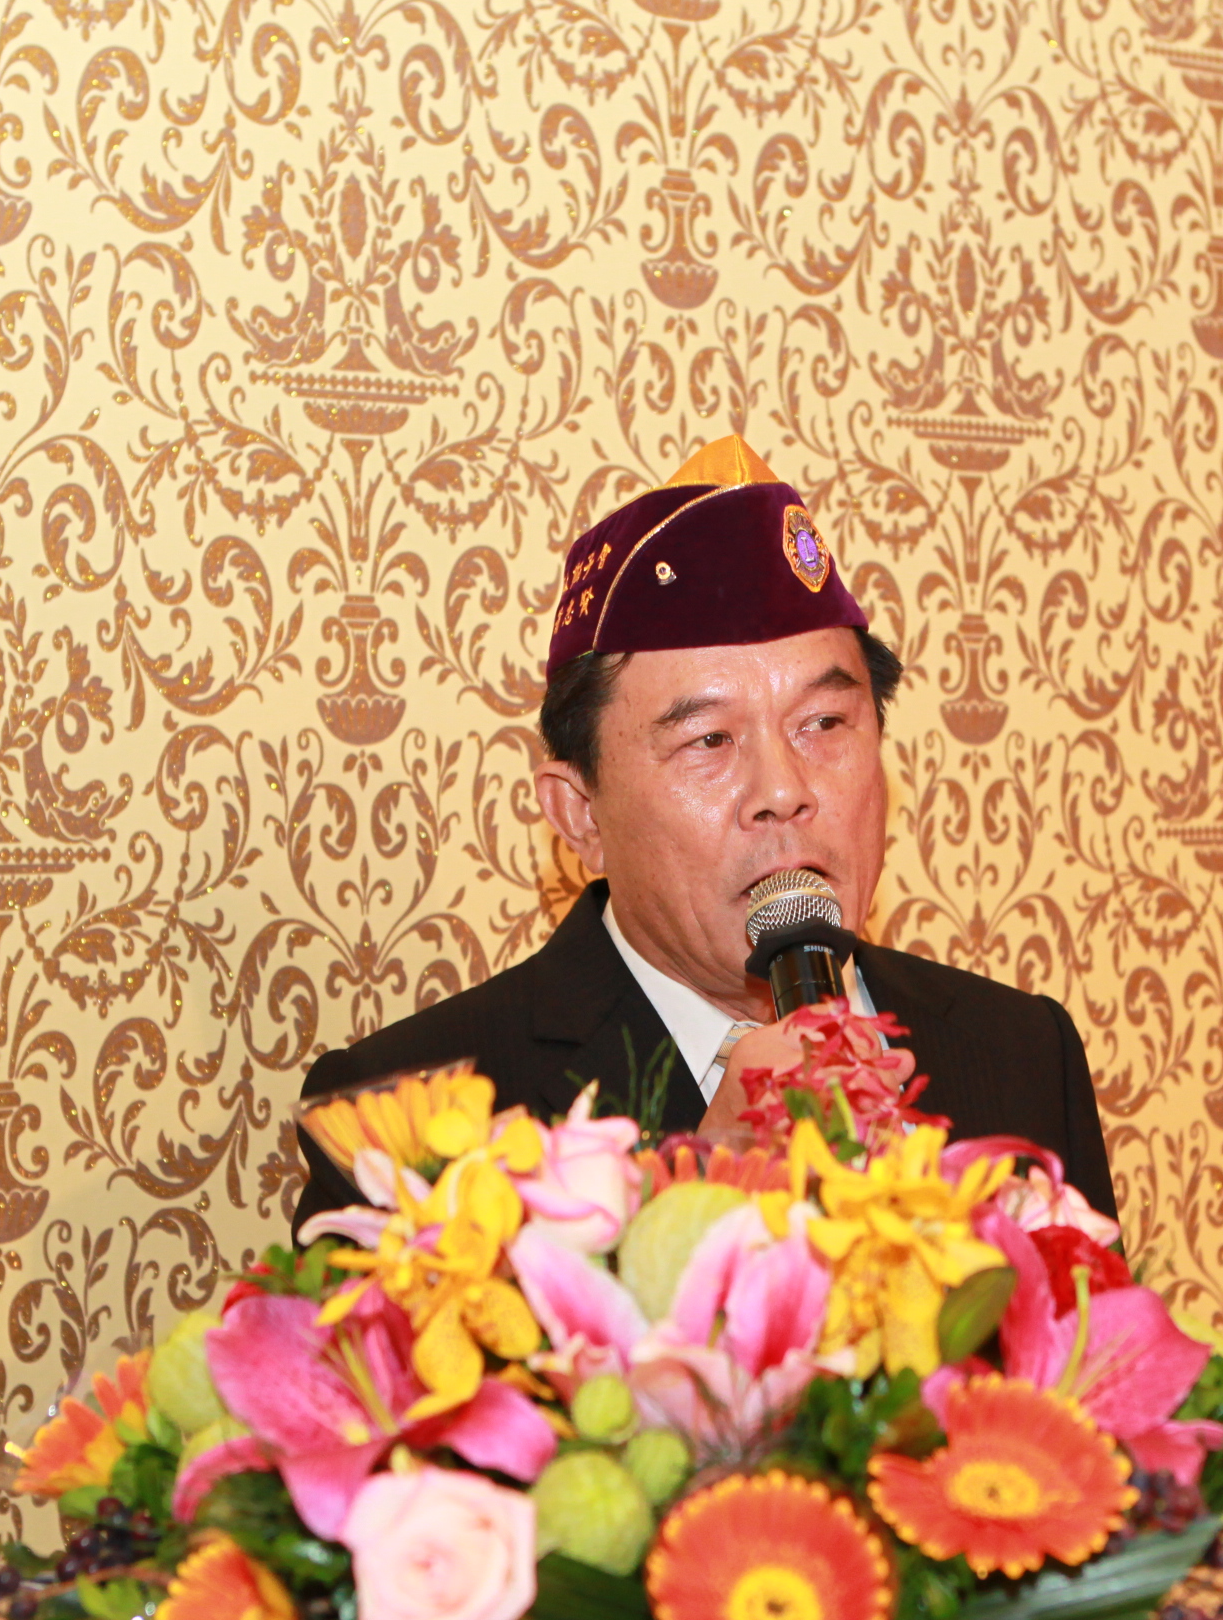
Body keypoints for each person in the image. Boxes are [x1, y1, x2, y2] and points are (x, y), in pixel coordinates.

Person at [291, 435, 1115, 1234]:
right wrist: (688, 1200)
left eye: (825, 723)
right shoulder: (408, 1128)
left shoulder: (1020, 1051)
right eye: (710, 740)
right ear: (581, 814)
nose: (784, 791)